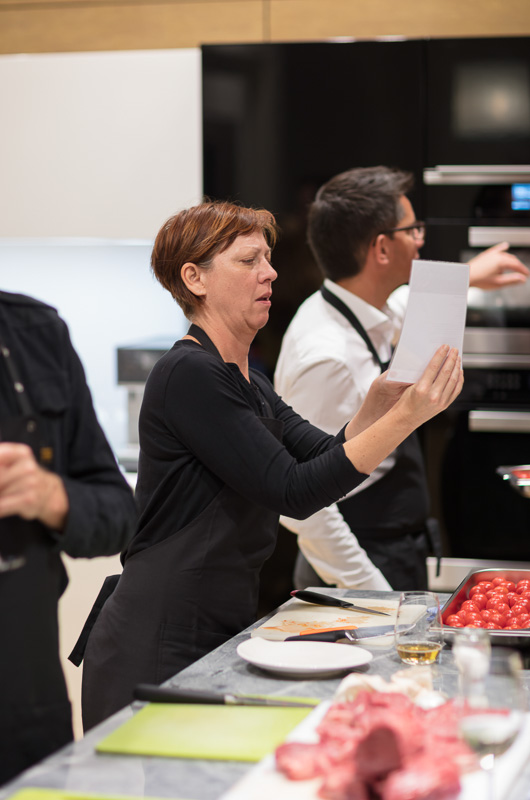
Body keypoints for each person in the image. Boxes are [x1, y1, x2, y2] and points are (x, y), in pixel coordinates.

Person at [78, 200, 462, 730]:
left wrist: (376, 408)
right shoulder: (188, 373)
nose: (270, 273)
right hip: (159, 635)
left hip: (216, 624)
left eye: (268, 258)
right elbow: (294, 492)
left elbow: (322, 457)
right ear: (194, 278)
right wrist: (407, 418)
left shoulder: (248, 380)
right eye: (248, 260)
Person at [274, 166, 530, 593]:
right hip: (355, 563)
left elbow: (407, 303)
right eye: (412, 230)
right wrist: (374, 592)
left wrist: (468, 274)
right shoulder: (326, 357)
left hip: (394, 543)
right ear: (381, 248)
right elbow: (305, 509)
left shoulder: (362, 305)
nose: (421, 239)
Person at [0, 291, 137, 785]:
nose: (269, 272)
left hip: (27, 708)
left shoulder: (34, 332)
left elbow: (120, 513)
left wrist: (51, 496)